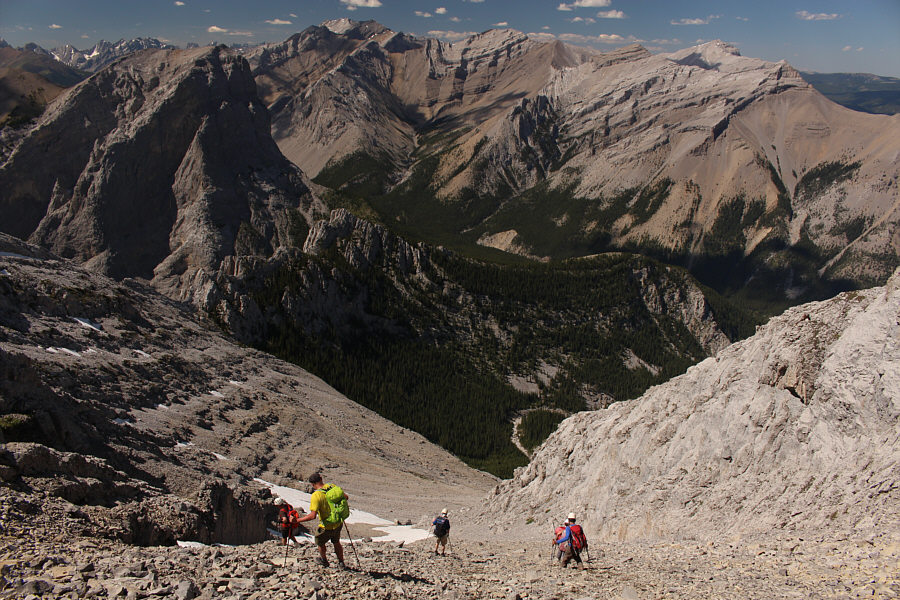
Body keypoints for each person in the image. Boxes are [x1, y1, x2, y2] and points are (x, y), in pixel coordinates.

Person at [296, 472, 349, 568]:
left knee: (320, 542)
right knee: (336, 542)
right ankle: (341, 562)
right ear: (321, 479)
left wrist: (297, 520)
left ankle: (324, 560)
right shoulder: (332, 486)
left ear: (312, 484)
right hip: (338, 522)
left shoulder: (316, 495)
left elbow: (312, 516)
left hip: (326, 525)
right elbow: (346, 497)